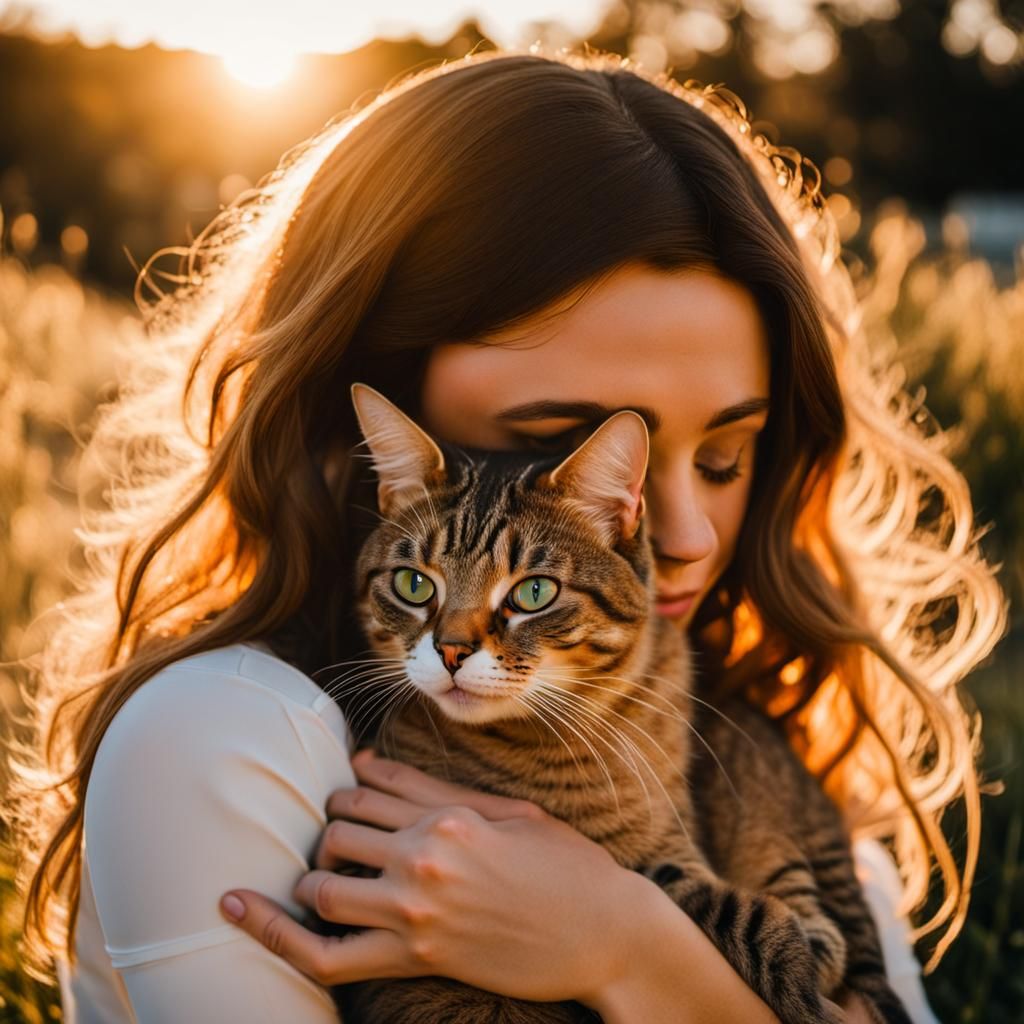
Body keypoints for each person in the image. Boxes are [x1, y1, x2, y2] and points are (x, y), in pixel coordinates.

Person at [13, 47, 1002, 1023]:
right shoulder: (228, 735)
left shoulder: (758, 754)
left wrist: (631, 948)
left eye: (724, 456)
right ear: (367, 409)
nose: (683, 532)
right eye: (552, 447)